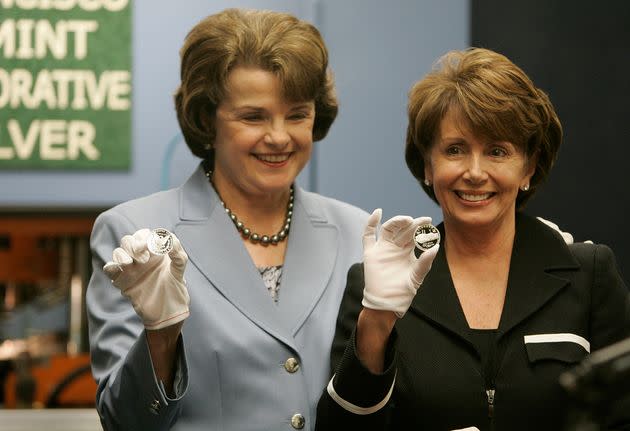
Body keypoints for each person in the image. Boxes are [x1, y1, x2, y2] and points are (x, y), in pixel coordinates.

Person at [316, 48, 630, 431]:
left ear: (528, 166)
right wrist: (376, 323)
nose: (475, 172)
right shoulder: (377, 285)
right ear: (428, 166)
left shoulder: (588, 274)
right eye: (454, 150)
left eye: (497, 151)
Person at [86, 9, 369, 431]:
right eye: (253, 116)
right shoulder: (132, 232)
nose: (278, 137)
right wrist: (160, 337)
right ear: (206, 120)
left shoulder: (359, 234)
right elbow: (124, 422)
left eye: (297, 114)